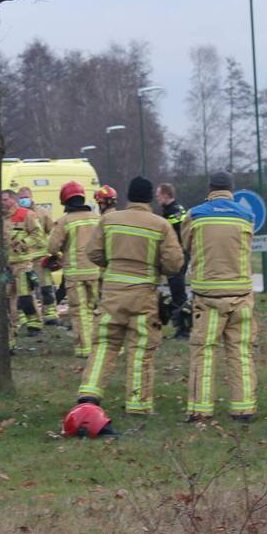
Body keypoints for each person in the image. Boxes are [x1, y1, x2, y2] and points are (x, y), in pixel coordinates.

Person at [76, 177, 184, 415]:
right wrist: (156, 268)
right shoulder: (160, 225)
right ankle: (138, 404)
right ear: (149, 199)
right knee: (141, 349)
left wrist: (113, 263)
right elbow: (174, 264)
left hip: (112, 295)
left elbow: (93, 252)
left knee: (104, 344)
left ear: (128, 196)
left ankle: (88, 394)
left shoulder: (109, 220)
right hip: (143, 297)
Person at [181, 172, 257, 423]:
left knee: (204, 352)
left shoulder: (195, 215)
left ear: (210, 189)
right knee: (240, 353)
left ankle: (200, 410)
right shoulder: (247, 216)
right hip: (241, 296)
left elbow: (187, 245)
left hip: (208, 297)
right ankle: (244, 409)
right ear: (231, 190)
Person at [47, 181, 101, 358]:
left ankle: (85, 350)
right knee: (97, 309)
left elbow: (52, 248)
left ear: (65, 201)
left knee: (79, 311)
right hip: (96, 272)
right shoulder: (97, 218)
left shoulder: (64, 221)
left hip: (75, 275)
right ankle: (101, 346)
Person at [3, 189, 43, 344]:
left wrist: (24, 244)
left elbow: (37, 235)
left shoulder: (26, 214)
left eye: (5, 199)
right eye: (1, 200)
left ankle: (34, 324)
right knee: (6, 297)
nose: (2, 202)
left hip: (23, 262)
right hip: (6, 264)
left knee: (25, 295)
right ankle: (12, 326)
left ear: (13, 199)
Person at [18, 186, 58, 325]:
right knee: (24, 291)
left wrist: (51, 251)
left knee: (45, 287)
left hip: (40, 256)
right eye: (21, 198)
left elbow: (51, 231)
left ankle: (50, 314)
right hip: (23, 258)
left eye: (26, 197)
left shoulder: (42, 213)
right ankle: (28, 318)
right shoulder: (17, 215)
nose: (24, 200)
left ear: (31, 196)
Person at [155, 182, 190, 340]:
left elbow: (173, 236)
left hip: (177, 256)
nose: (157, 198)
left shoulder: (173, 212)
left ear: (165, 195)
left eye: (158, 195)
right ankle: (180, 329)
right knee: (177, 292)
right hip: (177, 255)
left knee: (178, 293)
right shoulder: (175, 210)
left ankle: (183, 331)